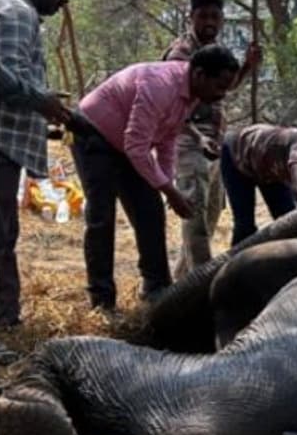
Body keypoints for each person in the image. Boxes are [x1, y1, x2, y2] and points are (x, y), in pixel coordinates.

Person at [69, 45, 240, 311]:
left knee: (150, 211)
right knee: (102, 216)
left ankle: (157, 290)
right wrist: (170, 191)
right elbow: (137, 146)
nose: (222, 94)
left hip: (127, 143)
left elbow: (167, 139)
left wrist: (166, 183)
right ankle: (102, 301)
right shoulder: (160, 86)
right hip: (93, 132)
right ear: (200, 74)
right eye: (219, 86)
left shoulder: (191, 94)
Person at [0, 0, 73, 331]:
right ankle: (1, 326)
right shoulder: (17, 13)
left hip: (4, 145)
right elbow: (0, 74)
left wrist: (46, 110)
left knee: (2, 234)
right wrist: (42, 101)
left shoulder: (16, 13)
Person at [160, 0, 261, 276]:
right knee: (195, 215)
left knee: (212, 212)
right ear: (190, 17)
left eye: (215, 17)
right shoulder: (181, 54)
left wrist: (248, 67)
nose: (209, 23)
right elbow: (171, 106)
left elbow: (226, 86)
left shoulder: (217, 51)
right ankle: (202, 282)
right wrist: (197, 136)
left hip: (214, 142)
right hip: (188, 140)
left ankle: (183, 280)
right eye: (203, 16)